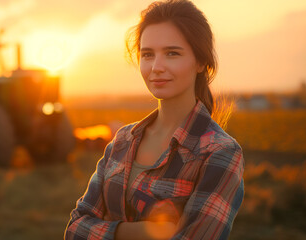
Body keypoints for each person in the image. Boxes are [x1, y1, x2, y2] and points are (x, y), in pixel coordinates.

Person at [64, 0, 244, 239]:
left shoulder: (220, 152)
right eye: (148, 54)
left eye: (172, 53)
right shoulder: (122, 141)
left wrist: (103, 231)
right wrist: (143, 233)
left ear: (200, 62)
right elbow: (75, 229)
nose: (156, 67)